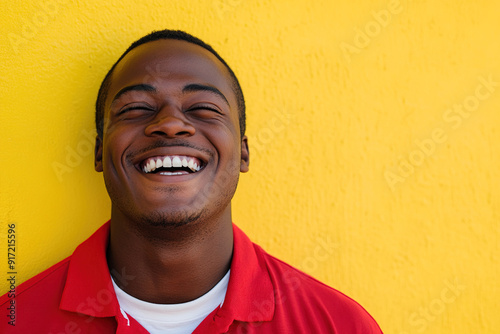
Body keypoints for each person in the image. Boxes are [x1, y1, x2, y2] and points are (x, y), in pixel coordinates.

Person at [0, 29, 383, 333]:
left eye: (203, 108)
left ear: (243, 152)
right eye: (135, 108)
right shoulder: (13, 323)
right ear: (99, 153)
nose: (169, 123)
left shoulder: (338, 326)